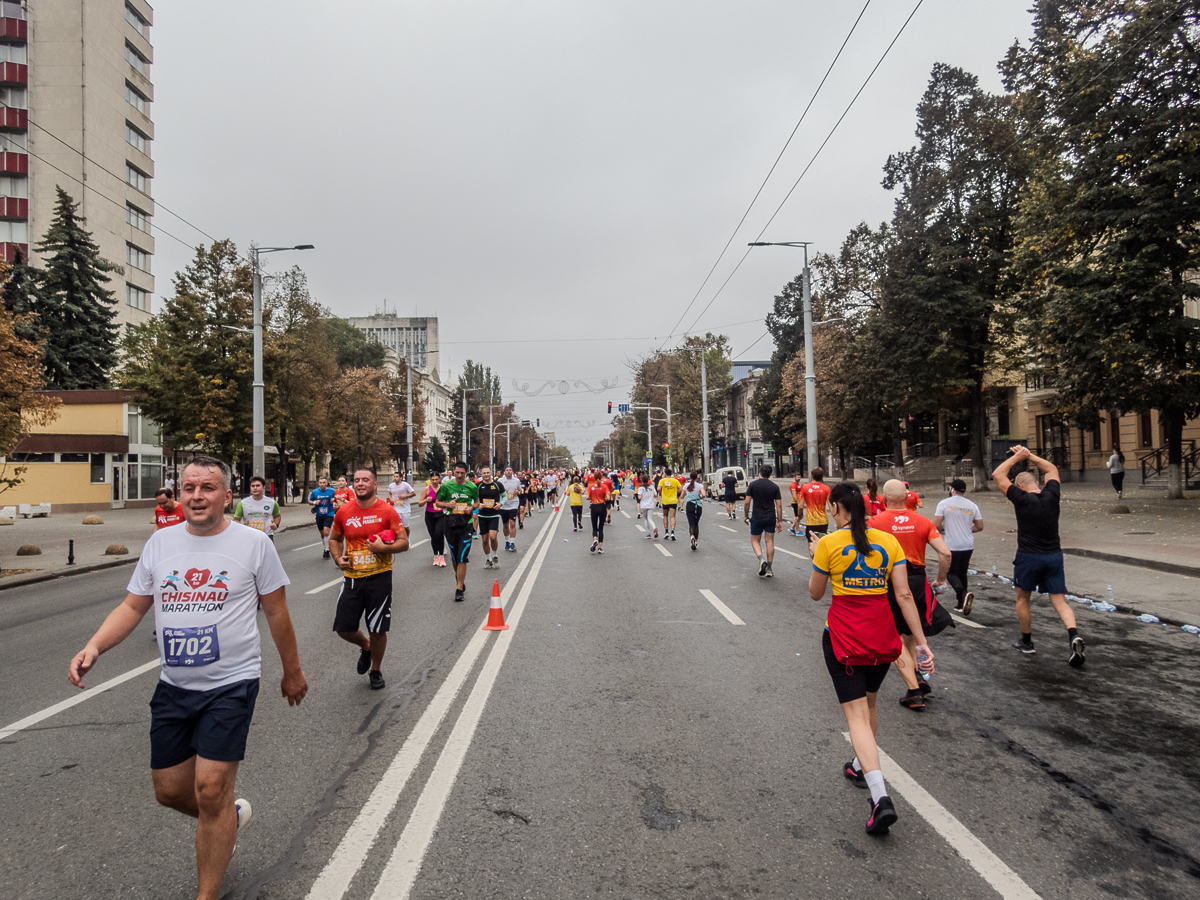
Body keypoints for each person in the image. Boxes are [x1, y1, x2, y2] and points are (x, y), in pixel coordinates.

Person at [69, 455, 307, 900]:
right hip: (175, 687)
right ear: (180, 495)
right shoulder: (161, 543)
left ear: (227, 497)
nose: (197, 496)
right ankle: (228, 818)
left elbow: (277, 612)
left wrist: (291, 672)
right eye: (189, 488)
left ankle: (207, 891)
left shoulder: (255, 546)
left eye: (208, 488)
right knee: (170, 791)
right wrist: (94, 645)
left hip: (232, 683)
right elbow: (132, 607)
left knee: (211, 788)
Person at [809, 481, 933, 836]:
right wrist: (921, 644)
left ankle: (880, 798)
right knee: (871, 704)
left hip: (844, 638)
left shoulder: (830, 544)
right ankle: (859, 767)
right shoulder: (887, 542)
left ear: (834, 508)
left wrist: (816, 555)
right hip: (882, 636)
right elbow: (905, 595)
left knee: (856, 717)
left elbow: (816, 594)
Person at [993, 446, 1085, 666]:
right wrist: (1030, 456)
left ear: (1019, 486)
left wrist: (1017, 457)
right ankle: (1073, 635)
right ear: (1037, 483)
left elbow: (998, 475)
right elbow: (1051, 469)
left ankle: (1027, 642)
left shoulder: (1021, 498)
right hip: (1054, 556)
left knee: (1023, 599)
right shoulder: (1052, 495)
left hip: (1028, 557)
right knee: (1060, 601)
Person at [869, 480, 954, 711]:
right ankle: (918, 674)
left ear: (884, 498)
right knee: (910, 631)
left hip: (889, 582)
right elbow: (945, 553)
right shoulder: (923, 521)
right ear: (908, 497)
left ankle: (914, 688)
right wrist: (941, 579)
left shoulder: (875, 523)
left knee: (892, 637)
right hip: (917, 581)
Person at [329, 469, 407, 690]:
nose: (360, 483)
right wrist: (337, 558)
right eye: (356, 480)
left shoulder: (387, 511)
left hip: (379, 577)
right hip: (352, 578)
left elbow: (404, 542)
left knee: (378, 627)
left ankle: (376, 669)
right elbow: (335, 539)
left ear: (375, 485)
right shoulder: (344, 511)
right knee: (343, 628)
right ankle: (366, 646)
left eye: (365, 480)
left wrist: (383, 547)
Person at [933, 479, 983, 615]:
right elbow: (979, 526)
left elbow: (936, 525)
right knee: (962, 572)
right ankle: (961, 603)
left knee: (949, 573)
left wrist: (946, 529)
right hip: (968, 543)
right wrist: (966, 529)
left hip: (952, 544)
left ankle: (963, 593)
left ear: (952, 489)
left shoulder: (943, 504)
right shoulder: (972, 505)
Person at [436, 461, 480, 601]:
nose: (459, 475)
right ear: (453, 472)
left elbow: (477, 502)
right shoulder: (447, 486)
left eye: (462, 473)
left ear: (466, 473)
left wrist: (471, 508)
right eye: (457, 472)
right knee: (454, 557)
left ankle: (459, 589)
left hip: (466, 523)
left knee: (462, 557)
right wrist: (448, 504)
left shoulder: (472, 486)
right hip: (450, 523)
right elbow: (437, 502)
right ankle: (459, 579)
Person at [745, 464, 783, 577]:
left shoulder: (753, 485)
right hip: (770, 517)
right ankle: (770, 569)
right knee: (770, 541)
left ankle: (761, 560)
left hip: (757, 517)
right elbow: (779, 505)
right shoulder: (775, 487)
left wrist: (746, 516)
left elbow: (747, 502)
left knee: (755, 541)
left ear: (759, 473)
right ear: (770, 474)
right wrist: (779, 521)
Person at [234, 475, 281, 542]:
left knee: (267, 553)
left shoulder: (272, 502)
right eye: (253, 486)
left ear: (263, 487)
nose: (255, 488)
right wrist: (240, 524)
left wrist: (275, 524)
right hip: (249, 536)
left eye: (258, 486)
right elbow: (236, 520)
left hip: (267, 536)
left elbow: (277, 516)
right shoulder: (243, 503)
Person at [475, 467, 504, 569]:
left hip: (494, 514)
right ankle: (488, 559)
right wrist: (478, 505)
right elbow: (472, 499)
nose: (486, 474)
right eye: (484, 473)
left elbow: (504, 496)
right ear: (481, 474)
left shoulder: (497, 484)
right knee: (485, 539)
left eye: (488, 473)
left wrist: (500, 504)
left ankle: (495, 556)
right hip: (482, 515)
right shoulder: (478, 486)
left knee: (493, 536)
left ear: (491, 473)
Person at [419, 475, 445, 567]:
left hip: (440, 514)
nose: (434, 481)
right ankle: (435, 556)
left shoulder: (443, 488)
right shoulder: (427, 489)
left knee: (439, 534)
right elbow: (419, 503)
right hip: (430, 515)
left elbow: (448, 500)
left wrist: (445, 503)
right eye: (432, 479)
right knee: (433, 536)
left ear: (439, 480)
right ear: (430, 480)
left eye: (436, 479)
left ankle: (441, 556)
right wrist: (426, 500)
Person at [308, 476, 337, 559]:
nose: (322, 484)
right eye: (320, 483)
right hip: (319, 514)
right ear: (318, 483)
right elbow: (309, 501)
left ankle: (327, 550)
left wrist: (334, 500)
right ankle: (325, 548)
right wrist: (314, 502)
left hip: (329, 513)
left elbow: (338, 499)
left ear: (326, 483)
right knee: (322, 534)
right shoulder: (315, 492)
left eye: (324, 483)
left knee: (326, 532)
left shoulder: (332, 491)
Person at [801, 467, 831, 541]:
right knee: (821, 544)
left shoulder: (805, 487)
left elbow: (800, 506)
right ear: (822, 477)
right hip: (823, 521)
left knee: (811, 545)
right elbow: (831, 507)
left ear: (811, 476)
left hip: (811, 522)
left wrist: (799, 515)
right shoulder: (826, 488)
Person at [587, 468, 613, 554]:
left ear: (594, 477)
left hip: (594, 507)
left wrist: (592, 498)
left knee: (594, 527)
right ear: (601, 477)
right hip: (602, 507)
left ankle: (595, 539)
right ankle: (600, 548)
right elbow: (608, 497)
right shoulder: (604, 486)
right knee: (601, 528)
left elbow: (587, 497)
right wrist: (603, 498)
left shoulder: (590, 486)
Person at [498, 466, 522, 552]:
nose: (508, 472)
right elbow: (496, 493)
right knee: (505, 525)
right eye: (507, 470)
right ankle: (507, 541)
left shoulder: (516, 480)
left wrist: (517, 492)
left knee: (512, 523)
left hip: (513, 504)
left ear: (512, 472)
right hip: (504, 505)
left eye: (510, 470)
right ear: (504, 472)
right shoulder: (500, 481)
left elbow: (520, 491)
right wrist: (502, 492)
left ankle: (512, 543)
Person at [682, 470, 705, 551]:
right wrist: (700, 497)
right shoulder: (700, 486)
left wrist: (685, 495)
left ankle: (692, 536)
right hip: (698, 505)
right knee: (696, 523)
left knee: (691, 523)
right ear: (696, 477)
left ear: (690, 477)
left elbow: (682, 496)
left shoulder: (686, 485)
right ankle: (696, 541)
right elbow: (704, 494)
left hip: (690, 505)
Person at [658, 468, 681, 540]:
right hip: (673, 501)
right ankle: (673, 533)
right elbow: (681, 489)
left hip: (665, 501)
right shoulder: (675, 481)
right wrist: (675, 491)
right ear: (671, 474)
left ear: (665, 474)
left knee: (665, 516)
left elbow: (658, 489)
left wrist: (660, 493)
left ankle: (666, 532)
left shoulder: (662, 480)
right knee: (672, 517)